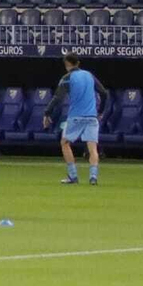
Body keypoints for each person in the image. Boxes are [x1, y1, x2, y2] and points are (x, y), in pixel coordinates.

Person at [45, 53, 108, 186]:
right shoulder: (89, 75)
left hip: (75, 116)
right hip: (92, 116)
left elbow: (58, 98)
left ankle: (73, 176)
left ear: (67, 64)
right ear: (78, 63)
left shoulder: (67, 78)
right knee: (92, 148)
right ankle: (93, 178)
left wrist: (47, 113)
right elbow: (103, 93)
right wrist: (100, 111)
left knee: (65, 142)